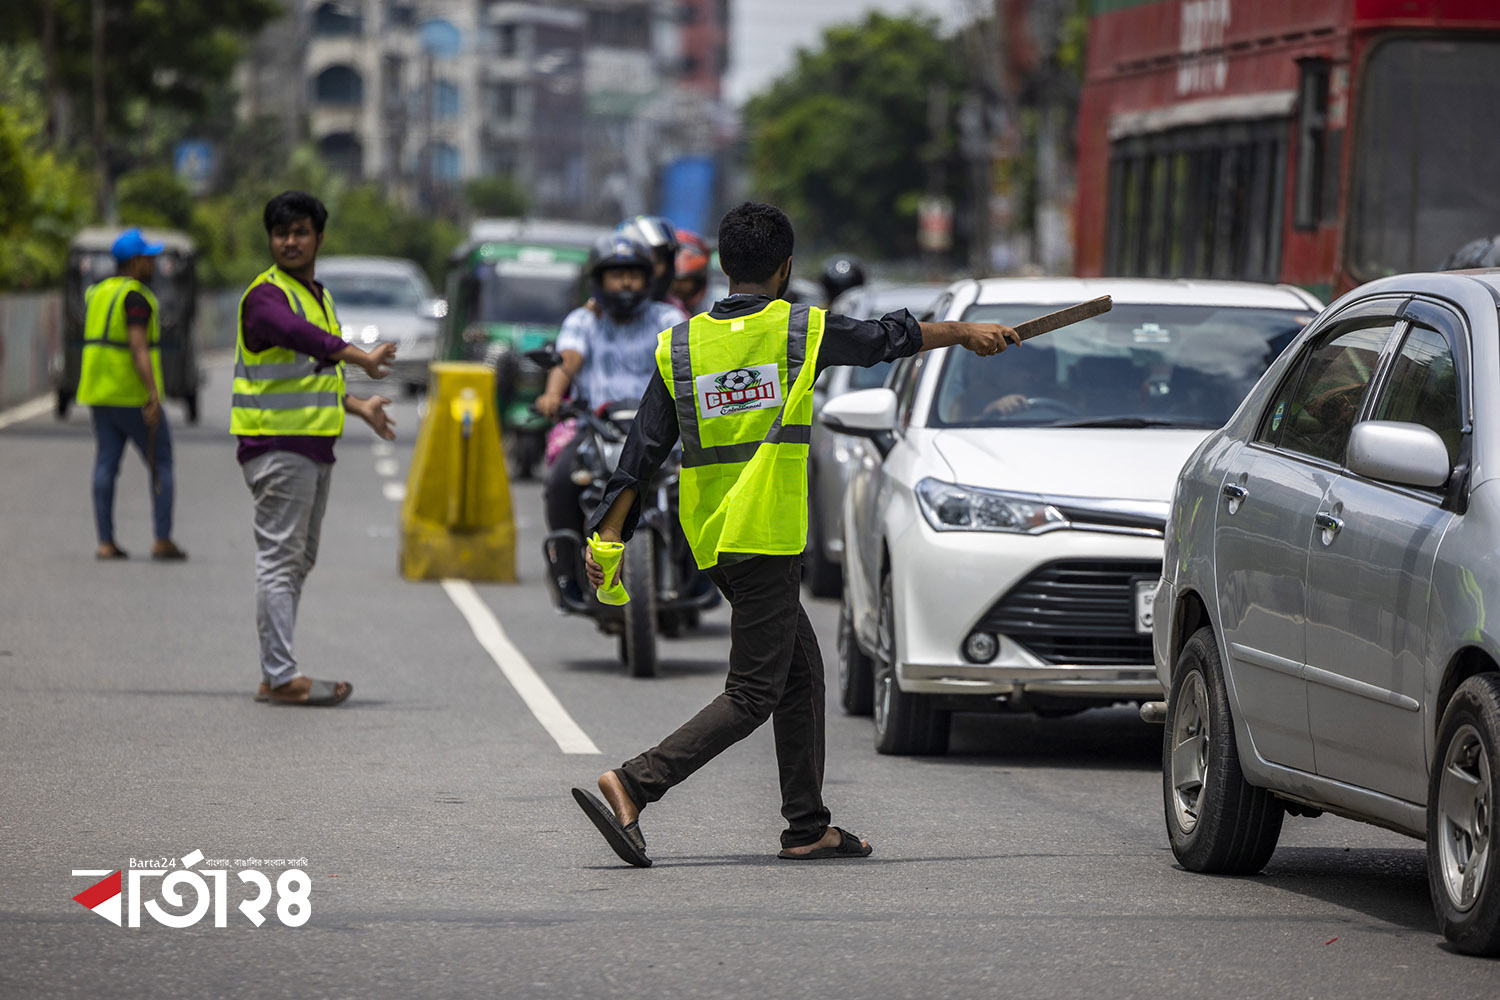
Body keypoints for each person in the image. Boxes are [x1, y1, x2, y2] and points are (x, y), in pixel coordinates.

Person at [571, 202, 1020, 867]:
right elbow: (881, 340)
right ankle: (637, 782)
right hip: (767, 536)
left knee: (802, 675)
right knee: (754, 693)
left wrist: (605, 538)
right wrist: (963, 332)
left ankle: (807, 825)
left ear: (724, 267)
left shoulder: (683, 344)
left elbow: (640, 450)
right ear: (785, 268)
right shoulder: (798, 330)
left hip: (716, 536)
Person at [236, 191, 398, 707]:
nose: (289, 241)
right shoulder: (266, 297)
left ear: (318, 238)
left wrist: (357, 406)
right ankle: (279, 676)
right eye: (281, 233)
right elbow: (301, 338)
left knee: (297, 558)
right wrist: (362, 358)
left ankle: (277, 671)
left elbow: (309, 373)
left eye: (300, 232)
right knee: (281, 560)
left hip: (311, 447)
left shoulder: (316, 294)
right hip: (277, 446)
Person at [538, 234, 687, 538]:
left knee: (697, 491)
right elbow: (568, 359)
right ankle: (567, 567)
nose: (626, 283)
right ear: (599, 280)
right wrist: (553, 395)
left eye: (633, 275)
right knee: (560, 483)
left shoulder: (668, 317)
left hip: (661, 434)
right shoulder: (583, 321)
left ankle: (700, 583)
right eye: (617, 276)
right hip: (597, 430)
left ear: (647, 279)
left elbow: (686, 363)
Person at [77, 227, 187, 561]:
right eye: (148, 257)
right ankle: (162, 539)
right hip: (131, 395)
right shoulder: (136, 297)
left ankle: (106, 542)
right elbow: (138, 346)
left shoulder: (97, 293)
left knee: (106, 464)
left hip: (99, 393)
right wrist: (153, 393)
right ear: (136, 261)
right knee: (162, 462)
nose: (152, 263)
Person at [615, 214, 687, 312]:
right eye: (644, 263)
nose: (650, 270)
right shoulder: (595, 313)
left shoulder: (674, 314)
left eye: (657, 262)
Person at [671, 228, 712, 314]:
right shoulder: (659, 314)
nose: (678, 286)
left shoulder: (710, 308)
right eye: (675, 280)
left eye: (686, 280)